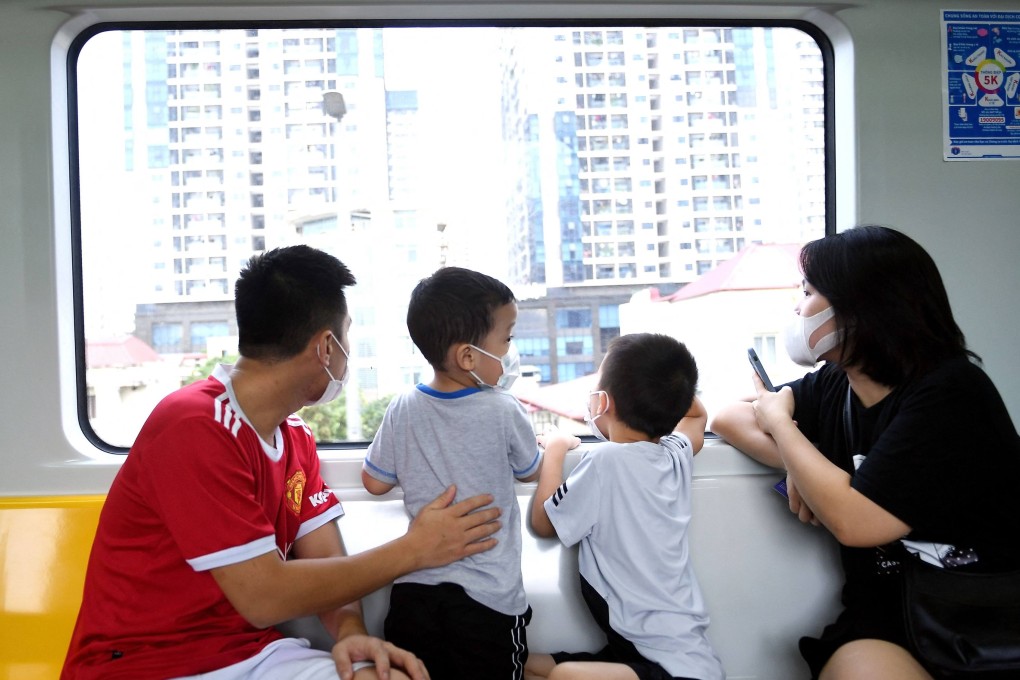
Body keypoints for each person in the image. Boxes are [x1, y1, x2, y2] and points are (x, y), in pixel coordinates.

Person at [62, 246, 503, 680]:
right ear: (326, 347)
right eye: (347, 334)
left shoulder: (294, 437)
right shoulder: (192, 425)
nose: (348, 351)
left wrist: (349, 631)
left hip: (250, 653)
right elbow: (263, 596)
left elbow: (324, 554)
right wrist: (414, 550)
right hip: (144, 663)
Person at [710, 225, 1020, 680]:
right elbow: (728, 418)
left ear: (861, 308)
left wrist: (784, 429)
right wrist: (807, 465)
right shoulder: (839, 383)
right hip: (888, 614)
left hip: (990, 614)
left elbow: (858, 522)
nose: (798, 307)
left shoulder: (950, 393)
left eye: (809, 292)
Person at [361, 266, 541, 680]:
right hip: (488, 602)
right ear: (468, 356)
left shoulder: (403, 407)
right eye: (507, 339)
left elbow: (374, 481)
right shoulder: (502, 409)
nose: (511, 352)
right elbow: (530, 470)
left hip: (413, 596)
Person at [525, 333, 725, 680]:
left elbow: (544, 522)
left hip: (669, 670)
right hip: (662, 655)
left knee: (563, 675)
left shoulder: (606, 462)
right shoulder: (674, 454)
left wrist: (555, 449)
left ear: (603, 401)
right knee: (525, 664)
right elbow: (697, 416)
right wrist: (669, 392)